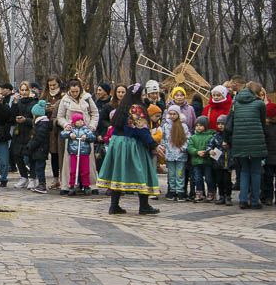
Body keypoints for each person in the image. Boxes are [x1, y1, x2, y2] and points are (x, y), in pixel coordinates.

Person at [96, 84, 161, 215]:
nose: (144, 97)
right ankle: (144, 206)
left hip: (117, 143)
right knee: (143, 170)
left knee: (118, 173)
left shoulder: (122, 107)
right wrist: (153, 145)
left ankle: (114, 206)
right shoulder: (136, 108)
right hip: (131, 144)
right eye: (142, 94)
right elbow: (141, 130)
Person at [225, 81, 267, 209]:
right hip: (256, 141)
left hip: (239, 142)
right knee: (255, 171)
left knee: (243, 171)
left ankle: (243, 199)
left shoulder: (235, 103)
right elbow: (262, 122)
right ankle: (254, 200)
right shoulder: (259, 104)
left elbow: (229, 124)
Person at [55, 78, 98, 194]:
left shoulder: (88, 98)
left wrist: (92, 126)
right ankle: (67, 184)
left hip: (86, 132)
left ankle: (91, 184)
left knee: (89, 160)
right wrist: (66, 125)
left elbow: (95, 113)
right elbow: (60, 116)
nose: (74, 93)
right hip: (72, 134)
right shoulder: (65, 100)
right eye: (72, 91)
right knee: (69, 160)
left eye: (76, 91)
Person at [61, 111, 96, 195]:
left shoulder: (86, 130)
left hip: (84, 153)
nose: (80, 122)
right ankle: (72, 185)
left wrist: (86, 137)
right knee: (73, 170)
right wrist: (69, 134)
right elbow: (62, 134)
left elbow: (92, 137)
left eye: (81, 120)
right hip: (74, 153)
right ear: (74, 122)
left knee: (85, 170)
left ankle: (86, 186)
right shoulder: (71, 129)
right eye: (78, 120)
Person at [10, 81, 37, 187]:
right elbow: (12, 116)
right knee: (16, 154)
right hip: (19, 132)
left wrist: (26, 120)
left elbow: (35, 119)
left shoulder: (34, 102)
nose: (24, 92)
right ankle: (23, 176)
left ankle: (33, 177)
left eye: (26, 90)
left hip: (30, 132)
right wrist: (15, 103)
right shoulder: (18, 102)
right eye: (22, 90)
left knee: (30, 156)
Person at [161, 105, 190, 201]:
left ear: (178, 114)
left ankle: (180, 191)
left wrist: (183, 148)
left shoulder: (183, 126)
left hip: (180, 154)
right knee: (171, 174)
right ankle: (172, 191)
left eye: (175, 114)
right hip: (170, 154)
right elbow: (164, 139)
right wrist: (164, 148)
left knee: (180, 173)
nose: (172, 116)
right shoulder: (166, 126)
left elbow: (187, 138)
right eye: (171, 114)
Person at [25, 100, 51, 194]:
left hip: (40, 150)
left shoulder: (42, 124)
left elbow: (38, 138)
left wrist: (30, 146)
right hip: (39, 150)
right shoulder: (41, 124)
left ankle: (42, 184)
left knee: (40, 168)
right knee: (38, 168)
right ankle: (40, 184)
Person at [187, 116, 214, 201]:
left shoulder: (210, 136)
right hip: (196, 162)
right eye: (197, 125)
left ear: (205, 126)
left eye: (201, 125)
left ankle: (210, 192)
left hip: (207, 161)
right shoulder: (193, 137)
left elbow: (211, 147)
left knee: (209, 178)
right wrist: (197, 152)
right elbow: (190, 147)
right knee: (197, 178)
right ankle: (199, 192)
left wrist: (207, 152)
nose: (198, 127)